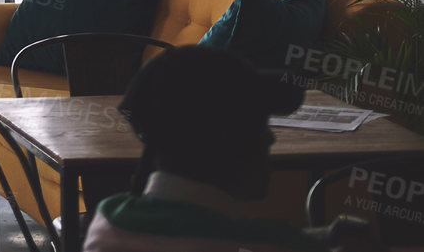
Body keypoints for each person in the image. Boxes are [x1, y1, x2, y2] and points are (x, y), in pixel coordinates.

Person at [85, 46, 364, 252]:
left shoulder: (110, 215)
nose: (270, 139)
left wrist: (323, 236)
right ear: (222, 140)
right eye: (257, 124)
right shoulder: (241, 239)